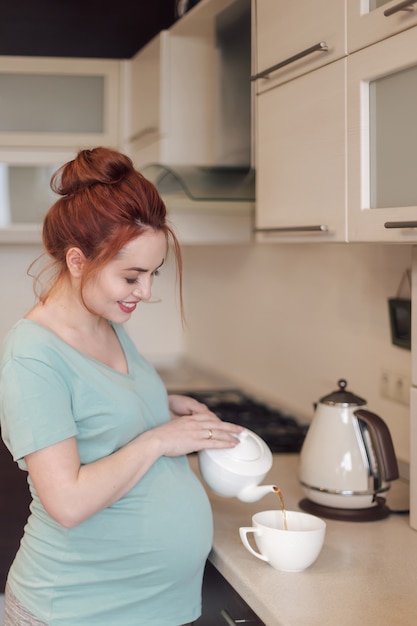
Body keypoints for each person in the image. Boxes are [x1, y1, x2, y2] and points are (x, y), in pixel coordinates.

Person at [0, 147, 243, 626]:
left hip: (145, 609)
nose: (146, 292)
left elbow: (97, 410)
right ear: (77, 260)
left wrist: (161, 409)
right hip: (75, 610)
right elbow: (67, 502)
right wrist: (159, 439)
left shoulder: (108, 323)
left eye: (153, 274)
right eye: (131, 276)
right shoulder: (32, 355)